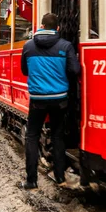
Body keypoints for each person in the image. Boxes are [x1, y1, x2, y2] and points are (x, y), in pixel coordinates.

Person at [20, 13, 81, 190]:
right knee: (57, 135)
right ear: (58, 28)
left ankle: (31, 181)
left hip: (37, 99)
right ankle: (60, 176)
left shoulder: (28, 46)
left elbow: (25, 71)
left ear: (41, 26)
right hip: (59, 99)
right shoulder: (65, 46)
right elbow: (75, 69)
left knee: (32, 136)